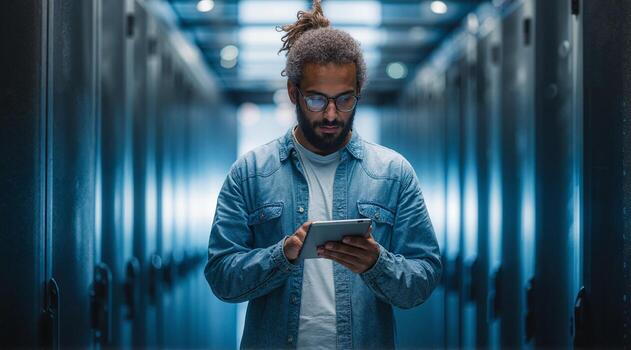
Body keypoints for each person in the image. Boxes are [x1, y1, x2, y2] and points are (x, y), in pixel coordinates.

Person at [204, 1, 442, 348]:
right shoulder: (250, 173)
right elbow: (221, 275)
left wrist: (377, 263)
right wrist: (280, 255)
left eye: (345, 100)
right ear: (293, 94)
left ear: (358, 93)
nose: (332, 114)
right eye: (316, 100)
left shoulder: (393, 173)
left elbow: (424, 277)